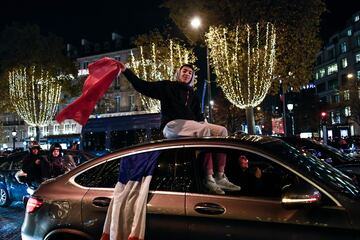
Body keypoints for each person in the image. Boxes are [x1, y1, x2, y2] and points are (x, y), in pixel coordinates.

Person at [120, 62, 240, 194]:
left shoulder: (192, 94)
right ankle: (208, 177)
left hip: (190, 125)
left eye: (190, 73)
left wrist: (206, 123)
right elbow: (142, 86)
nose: (187, 74)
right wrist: (126, 71)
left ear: (192, 77)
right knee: (204, 132)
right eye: (184, 71)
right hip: (172, 125)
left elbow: (199, 116)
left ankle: (220, 176)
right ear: (178, 73)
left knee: (222, 131)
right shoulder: (167, 86)